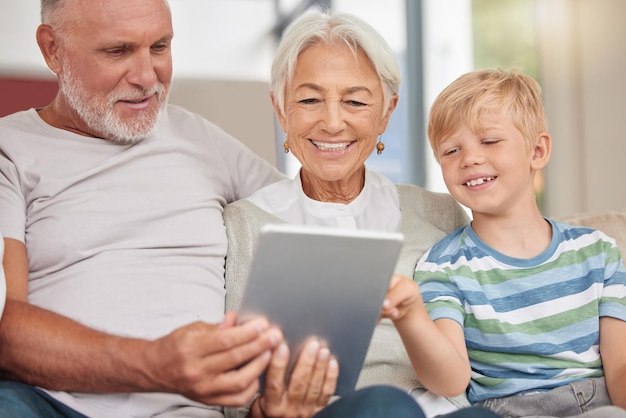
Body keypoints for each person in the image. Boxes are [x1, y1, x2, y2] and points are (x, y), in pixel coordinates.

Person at [0, 0, 432, 417]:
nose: (147, 76)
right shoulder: (11, 151)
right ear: (52, 48)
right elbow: (6, 329)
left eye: (160, 47)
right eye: (117, 51)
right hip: (51, 404)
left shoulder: (199, 139)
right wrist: (156, 363)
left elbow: (304, 213)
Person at [223, 11, 500, 418]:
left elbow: (481, 356)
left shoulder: (440, 214)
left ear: (386, 112)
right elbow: (234, 392)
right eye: (309, 100)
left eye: (355, 101)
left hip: (444, 410)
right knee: (387, 406)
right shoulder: (244, 227)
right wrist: (267, 409)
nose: (333, 122)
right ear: (281, 111)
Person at [381, 68, 626, 417]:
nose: (469, 159)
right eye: (451, 151)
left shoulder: (598, 251)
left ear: (537, 151)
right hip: (506, 411)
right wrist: (410, 317)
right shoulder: (443, 266)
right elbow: (450, 381)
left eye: (490, 141)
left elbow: (620, 369)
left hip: (597, 405)